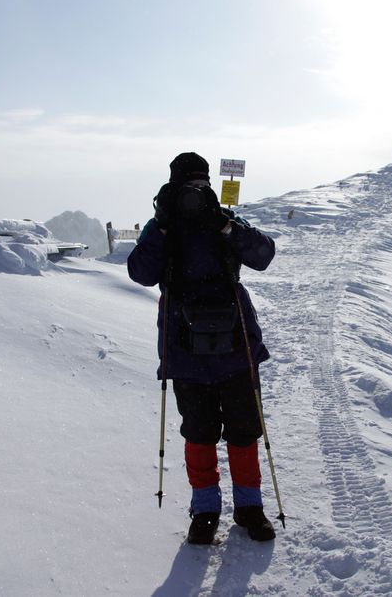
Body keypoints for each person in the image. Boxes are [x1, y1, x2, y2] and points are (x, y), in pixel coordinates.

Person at [127, 152, 277, 544]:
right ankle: (206, 510)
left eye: (200, 187)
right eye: (188, 188)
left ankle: (249, 508)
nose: (195, 195)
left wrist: (225, 224)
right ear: (173, 189)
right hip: (190, 348)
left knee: (243, 431)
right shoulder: (163, 225)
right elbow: (140, 273)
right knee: (199, 433)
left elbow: (264, 254)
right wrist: (162, 225)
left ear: (209, 185)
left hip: (232, 346)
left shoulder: (222, 218)